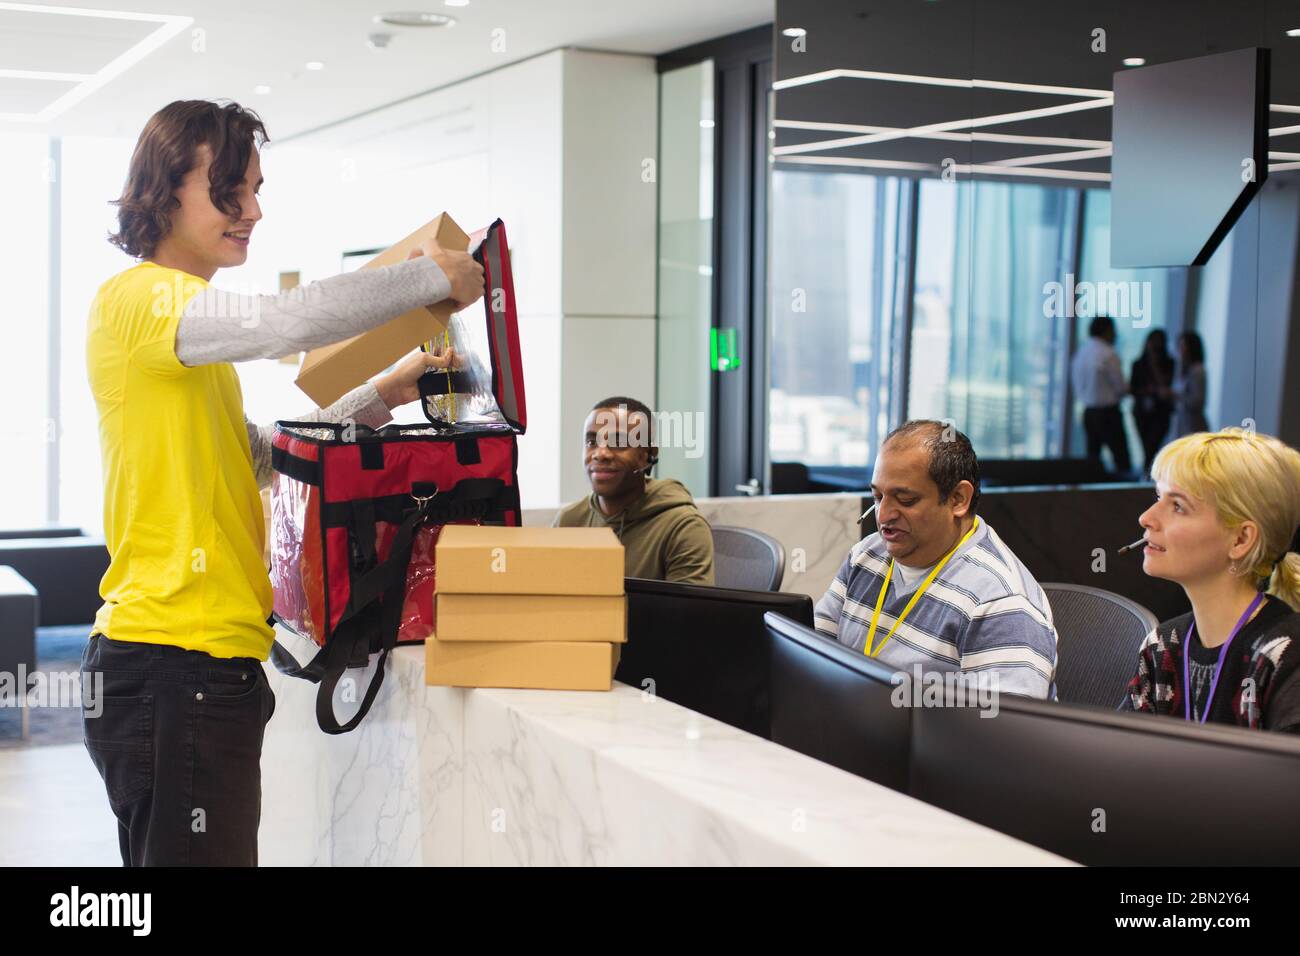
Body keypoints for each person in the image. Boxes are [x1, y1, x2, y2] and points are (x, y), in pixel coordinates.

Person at [82, 100, 485, 866]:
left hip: (195, 668)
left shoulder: (186, 346)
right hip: (175, 663)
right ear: (166, 190)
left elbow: (266, 459)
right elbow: (281, 322)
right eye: (232, 188)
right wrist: (426, 279)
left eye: (257, 188)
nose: (254, 210)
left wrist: (386, 394)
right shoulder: (141, 300)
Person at [815, 420, 1058, 698]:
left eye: (905, 500)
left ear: (958, 499)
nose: (883, 515)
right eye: (878, 497)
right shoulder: (866, 555)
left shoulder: (1001, 603)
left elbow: (1003, 733)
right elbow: (813, 650)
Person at [1124, 429, 1300, 732]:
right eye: (1158, 497)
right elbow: (1117, 758)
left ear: (1241, 539)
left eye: (1178, 506)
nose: (1146, 517)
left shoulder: (1287, 656)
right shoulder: (1163, 645)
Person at [553, 396, 714, 584]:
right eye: (591, 443)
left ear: (648, 455)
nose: (600, 454)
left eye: (619, 443)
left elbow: (689, 612)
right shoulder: (569, 522)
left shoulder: (682, 526)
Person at [1070, 314, 1131, 476]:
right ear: (1106, 331)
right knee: (1122, 460)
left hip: (1088, 412)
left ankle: (1092, 497)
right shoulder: (1108, 354)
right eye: (1113, 331)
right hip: (1108, 413)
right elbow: (1121, 387)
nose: (1115, 335)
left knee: (1093, 461)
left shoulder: (1081, 353)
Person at [1129, 328, 1175, 473]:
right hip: (1142, 411)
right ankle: (1147, 474)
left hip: (1160, 412)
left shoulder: (1170, 364)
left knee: (1153, 446)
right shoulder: (1138, 364)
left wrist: (1155, 367)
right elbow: (1133, 388)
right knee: (1147, 446)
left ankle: (1148, 475)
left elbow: (1169, 385)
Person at [1170, 331, 1209, 437]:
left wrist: (1175, 395)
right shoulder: (1182, 370)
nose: (1180, 350)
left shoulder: (1197, 371)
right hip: (1183, 423)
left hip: (1193, 424)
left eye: (1183, 346)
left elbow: (1198, 400)